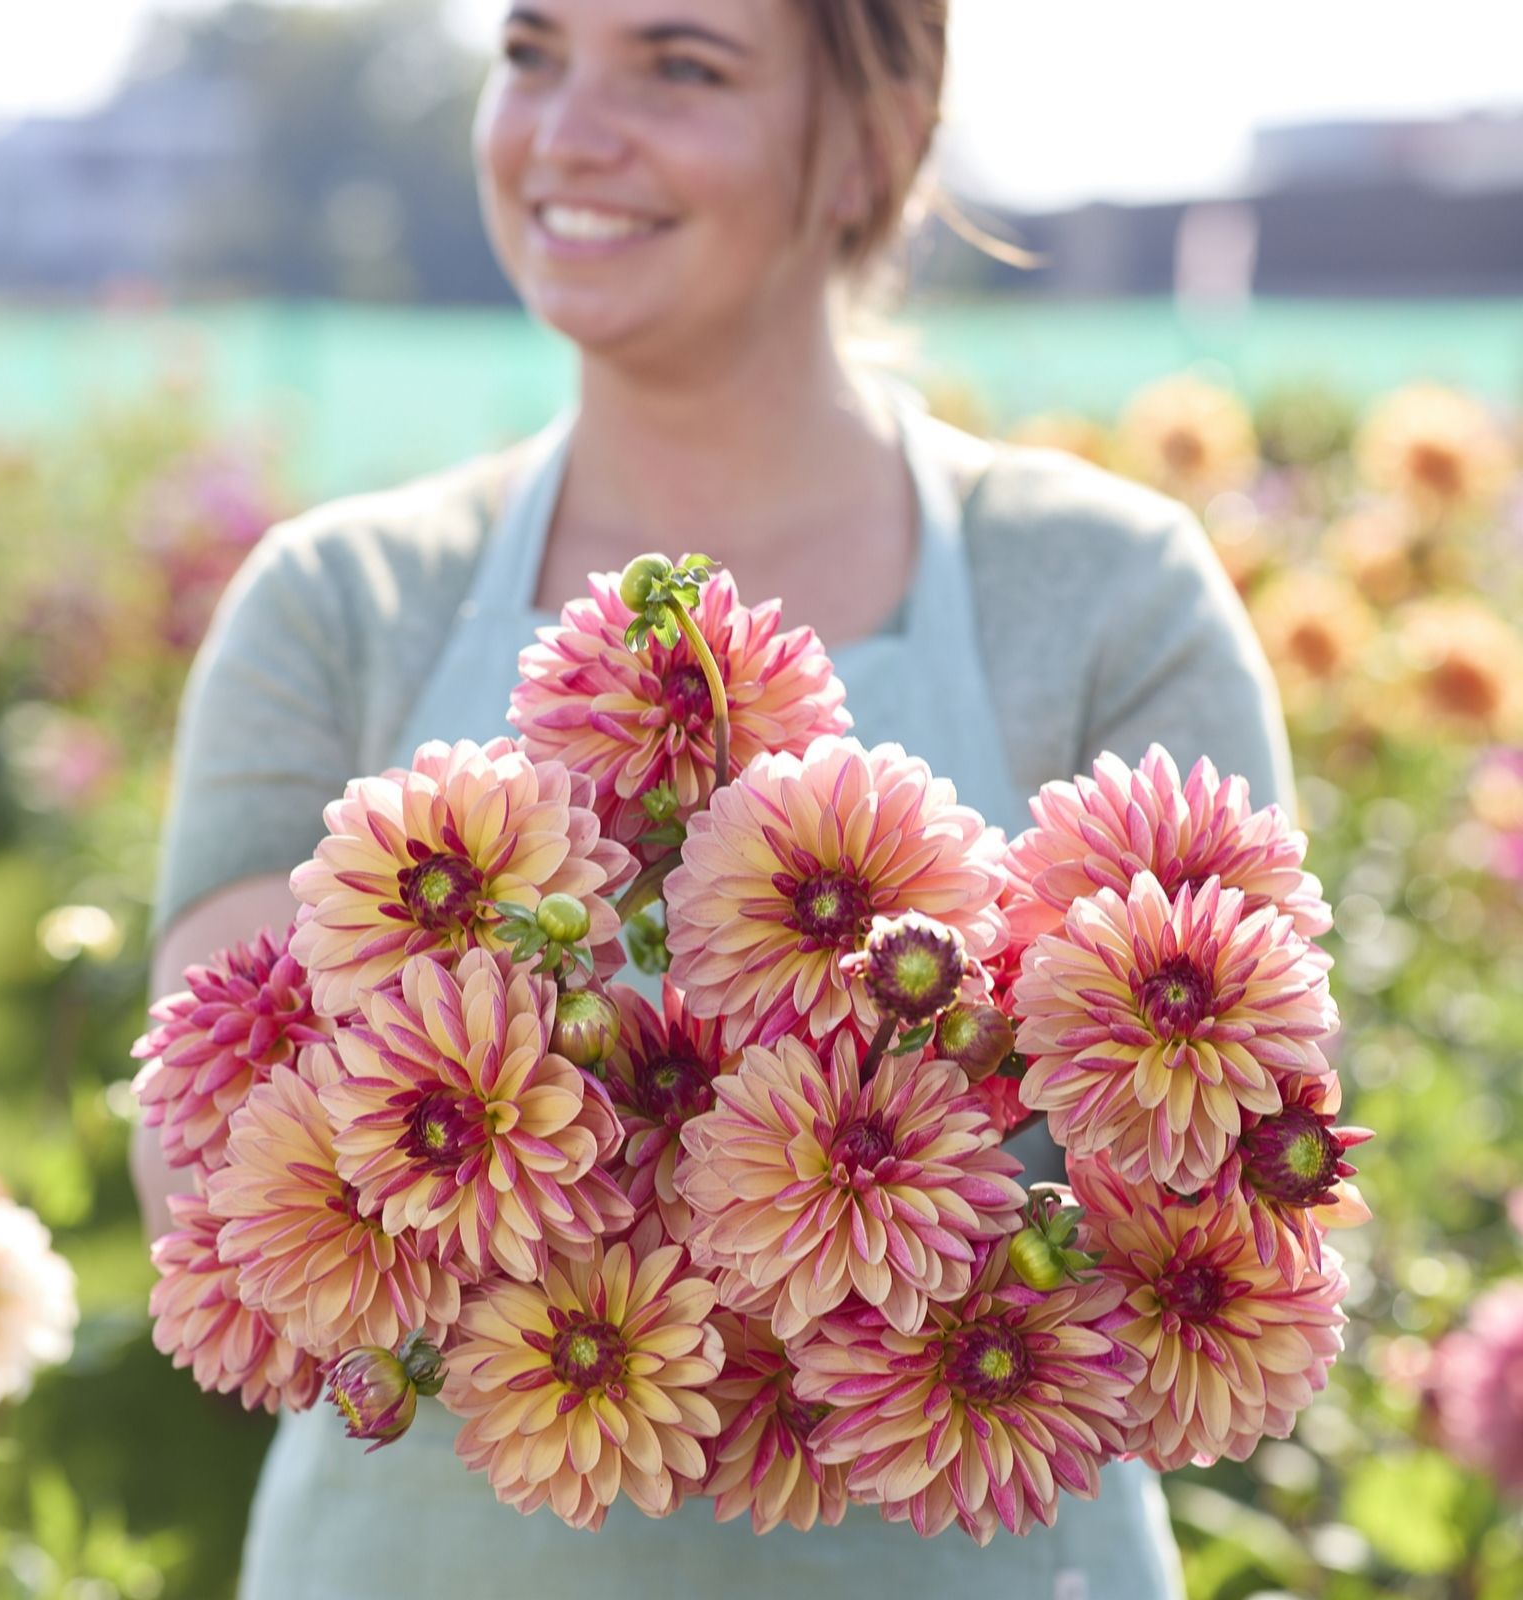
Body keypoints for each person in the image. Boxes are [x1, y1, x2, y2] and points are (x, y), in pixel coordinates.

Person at [132, 2, 1294, 1596]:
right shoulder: (341, 600)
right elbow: (218, 1179)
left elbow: (1249, 1163)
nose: (567, 131)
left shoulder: (1105, 589)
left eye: (682, 65)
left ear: (872, 140)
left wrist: (762, 1157)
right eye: (532, 52)